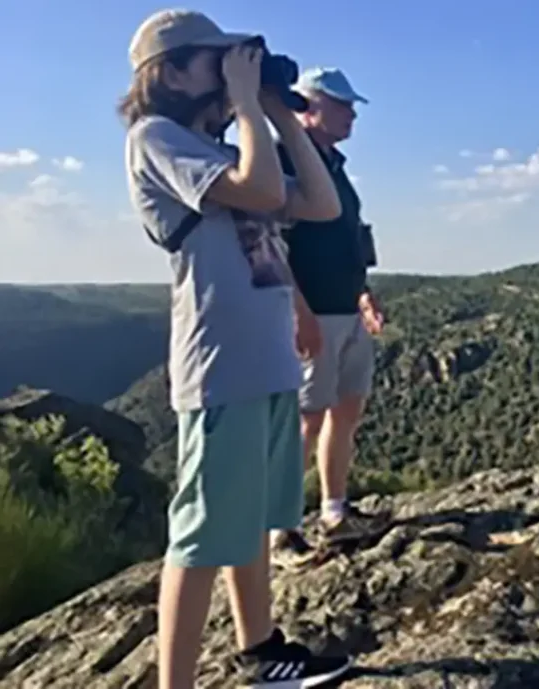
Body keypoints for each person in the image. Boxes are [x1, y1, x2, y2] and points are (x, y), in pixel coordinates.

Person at [121, 9, 353, 688]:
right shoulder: (154, 137)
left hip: (267, 363)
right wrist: (249, 105)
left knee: (249, 522)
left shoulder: (226, 150)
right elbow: (261, 191)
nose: (230, 72)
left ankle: (262, 651)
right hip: (221, 366)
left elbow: (322, 203)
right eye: (215, 60)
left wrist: (279, 113)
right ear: (171, 73)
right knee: (200, 539)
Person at [269, 67, 388, 566]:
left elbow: (348, 237)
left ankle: (334, 513)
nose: (351, 115)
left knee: (346, 412)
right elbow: (272, 243)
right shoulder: (282, 160)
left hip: (345, 309)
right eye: (341, 105)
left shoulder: (333, 166)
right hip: (313, 311)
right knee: (308, 420)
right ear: (308, 107)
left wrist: (363, 294)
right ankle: (281, 530)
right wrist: (298, 310)